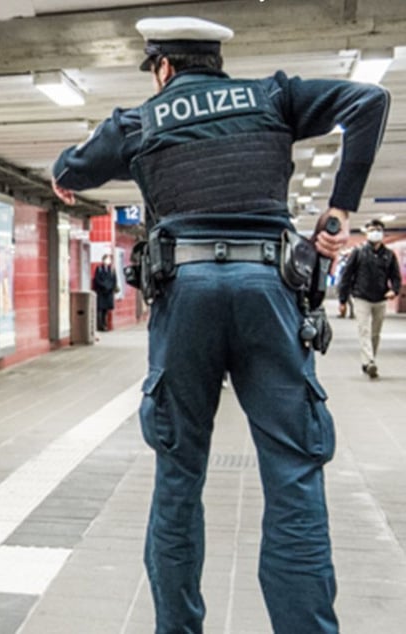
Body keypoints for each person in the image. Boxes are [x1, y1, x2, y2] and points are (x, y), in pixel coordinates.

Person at [52, 16, 388, 634]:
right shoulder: (272, 96)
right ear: (215, 63)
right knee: (293, 477)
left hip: (185, 297)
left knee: (178, 479)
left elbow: (71, 166)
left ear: (163, 67)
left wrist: (64, 175)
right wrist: (339, 210)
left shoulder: (142, 121)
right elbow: (368, 101)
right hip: (271, 292)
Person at [337, 219, 401, 379]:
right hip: (361, 297)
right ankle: (370, 360)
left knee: (375, 333)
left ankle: (368, 360)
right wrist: (342, 300)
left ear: (383, 233)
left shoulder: (389, 255)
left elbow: (396, 276)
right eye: (372, 230)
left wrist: (394, 290)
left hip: (381, 298)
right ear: (366, 233)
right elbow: (346, 276)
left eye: (378, 230)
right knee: (364, 330)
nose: (375, 232)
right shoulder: (358, 253)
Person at [92, 253, 118, 331]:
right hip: (101, 292)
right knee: (100, 309)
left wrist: (110, 287)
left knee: (106, 310)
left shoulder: (112, 270)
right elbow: (97, 280)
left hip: (108, 293)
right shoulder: (99, 269)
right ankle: (100, 325)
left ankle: (105, 325)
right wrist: (104, 286)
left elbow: (114, 280)